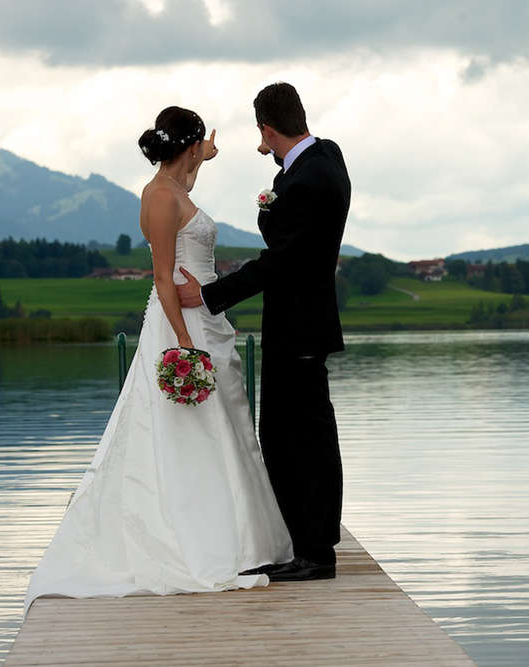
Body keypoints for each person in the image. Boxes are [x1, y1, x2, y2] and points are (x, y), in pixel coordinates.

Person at [23, 106, 292, 614]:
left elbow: (183, 190)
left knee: (222, 425)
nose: (201, 158)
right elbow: (164, 277)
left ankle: (237, 540)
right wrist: (186, 342)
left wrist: (202, 161)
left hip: (203, 315)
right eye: (199, 150)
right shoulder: (161, 197)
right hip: (182, 322)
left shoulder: (175, 186)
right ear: (188, 146)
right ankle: (197, 542)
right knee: (191, 427)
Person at [176, 83, 351, 581]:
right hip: (303, 325)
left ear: (265, 129)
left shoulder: (306, 181)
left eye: (263, 134)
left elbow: (280, 261)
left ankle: (314, 552)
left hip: (298, 327)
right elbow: (292, 224)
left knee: (295, 439)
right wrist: (276, 163)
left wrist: (210, 296)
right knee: (297, 434)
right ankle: (308, 541)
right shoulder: (325, 158)